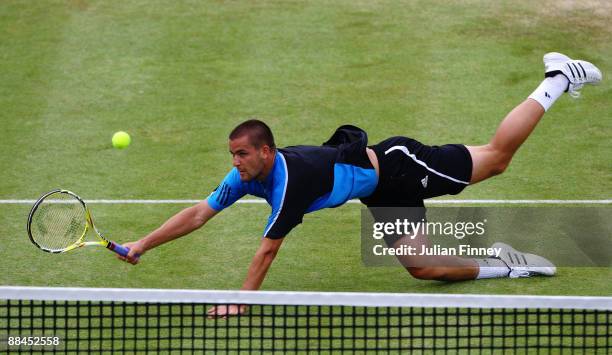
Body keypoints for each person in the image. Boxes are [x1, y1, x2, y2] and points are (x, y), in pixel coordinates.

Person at [120, 52, 602, 316]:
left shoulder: (289, 184)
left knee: (496, 160)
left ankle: (558, 77)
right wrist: (144, 242)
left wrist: (241, 302)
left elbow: (266, 251)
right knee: (424, 270)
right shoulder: (244, 176)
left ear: (266, 151)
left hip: (398, 166)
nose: (236, 163)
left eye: (242, 154)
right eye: (233, 156)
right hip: (379, 193)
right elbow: (200, 213)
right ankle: (507, 265)